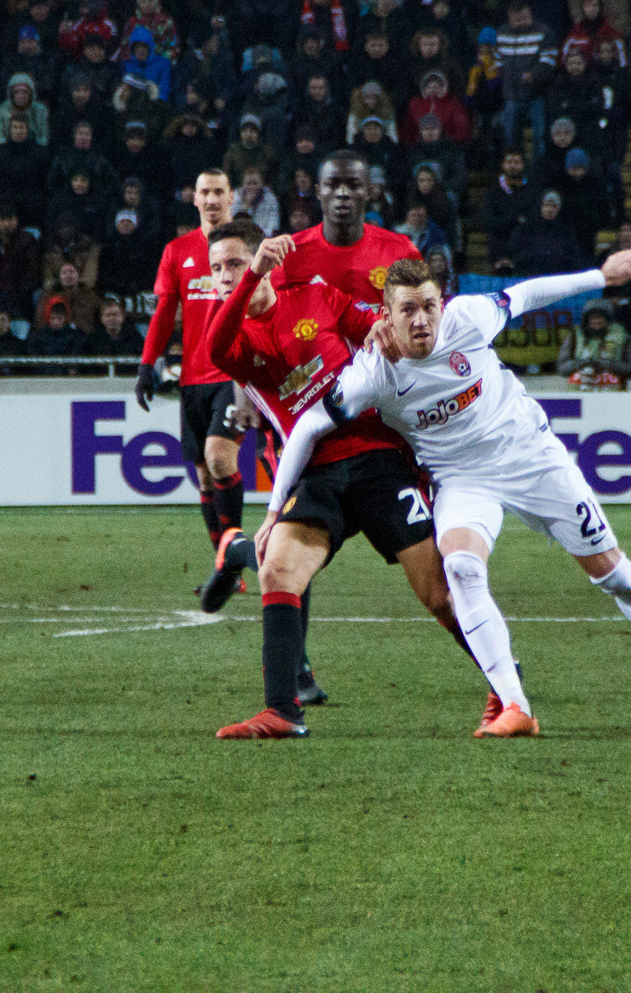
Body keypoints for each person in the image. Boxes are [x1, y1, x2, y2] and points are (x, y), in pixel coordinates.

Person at [262, 251, 631, 735]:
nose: (421, 320)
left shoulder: (469, 317)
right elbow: (310, 425)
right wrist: (274, 511)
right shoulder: (374, 371)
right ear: (386, 316)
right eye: (407, 310)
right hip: (462, 478)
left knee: (612, 573)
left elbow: (528, 294)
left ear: (443, 304)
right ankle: (515, 706)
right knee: (460, 566)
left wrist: (600, 277)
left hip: (530, 456)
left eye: (429, 306)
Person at [203, 224, 481, 740]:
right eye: (217, 268)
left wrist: (378, 327)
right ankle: (282, 711)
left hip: (378, 458)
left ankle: (505, 683)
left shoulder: (314, 296)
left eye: (236, 263)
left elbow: (370, 324)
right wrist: (251, 278)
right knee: (279, 573)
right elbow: (213, 345)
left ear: (267, 260)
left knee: (441, 595)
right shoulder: (236, 341)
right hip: (314, 472)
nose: (224, 276)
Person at [135, 169, 250, 569]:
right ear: (195, 199)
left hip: (234, 374)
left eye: (220, 191)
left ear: (231, 198)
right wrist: (146, 364)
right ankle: (225, 566)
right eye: (206, 192)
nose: (213, 199)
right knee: (203, 477)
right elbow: (165, 313)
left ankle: (234, 556)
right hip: (192, 376)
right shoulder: (177, 251)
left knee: (219, 458)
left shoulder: (248, 246)